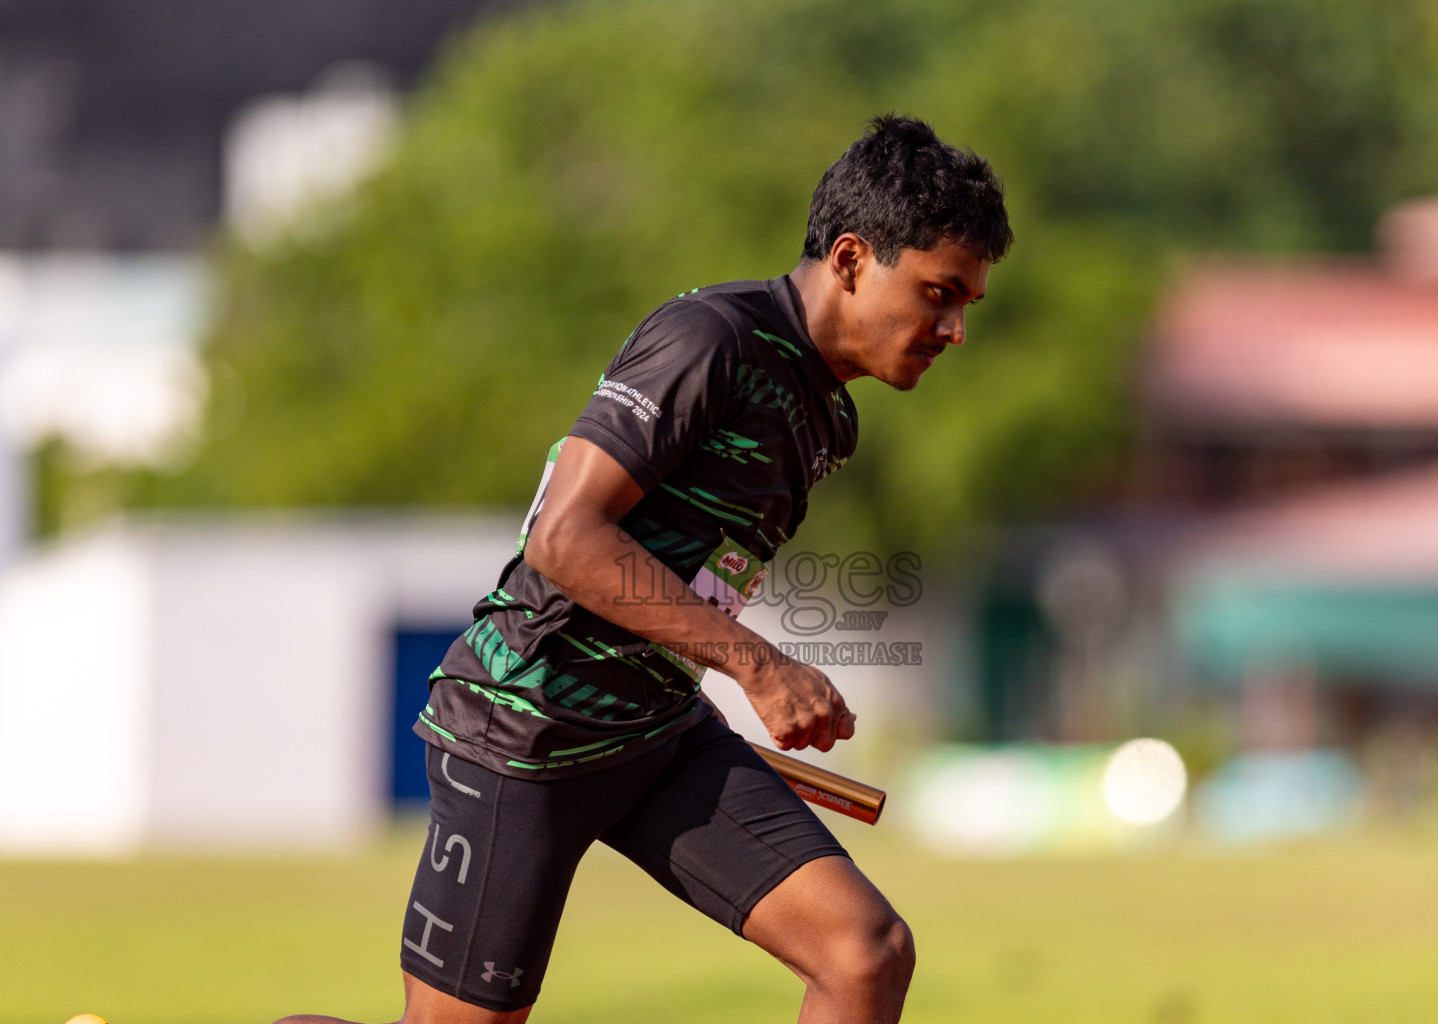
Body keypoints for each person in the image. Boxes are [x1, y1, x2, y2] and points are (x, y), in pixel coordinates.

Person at [278, 113, 1010, 1024]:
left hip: (658, 731)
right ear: (855, 258)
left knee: (865, 954)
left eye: (967, 306)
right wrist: (759, 663)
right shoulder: (709, 339)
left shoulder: (829, 416)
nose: (954, 328)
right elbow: (565, 537)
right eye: (941, 293)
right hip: (526, 728)